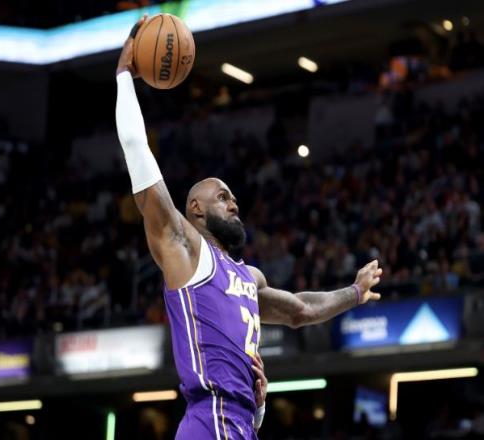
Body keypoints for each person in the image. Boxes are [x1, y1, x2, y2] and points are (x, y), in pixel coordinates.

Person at [115, 17, 382, 440]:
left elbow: (300, 310)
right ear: (195, 209)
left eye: (233, 197)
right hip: (210, 417)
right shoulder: (185, 250)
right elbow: (136, 150)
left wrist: (353, 293)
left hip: (241, 423)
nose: (233, 202)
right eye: (222, 196)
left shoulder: (248, 277)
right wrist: (124, 77)